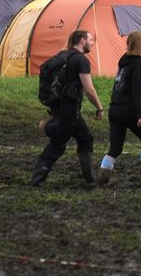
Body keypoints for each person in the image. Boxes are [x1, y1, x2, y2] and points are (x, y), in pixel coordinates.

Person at [31, 29, 104, 188]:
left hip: (61, 107)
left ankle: (90, 179)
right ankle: (37, 179)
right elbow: (89, 88)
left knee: (85, 138)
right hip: (69, 109)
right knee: (57, 143)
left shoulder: (64, 56)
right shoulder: (81, 60)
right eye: (90, 39)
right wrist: (99, 108)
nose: (92, 42)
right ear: (82, 41)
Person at [96, 31, 141, 187]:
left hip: (114, 109)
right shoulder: (137, 64)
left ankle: (102, 179)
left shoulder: (123, 62)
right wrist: (139, 114)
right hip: (128, 110)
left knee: (115, 148)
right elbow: (137, 92)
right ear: (140, 44)